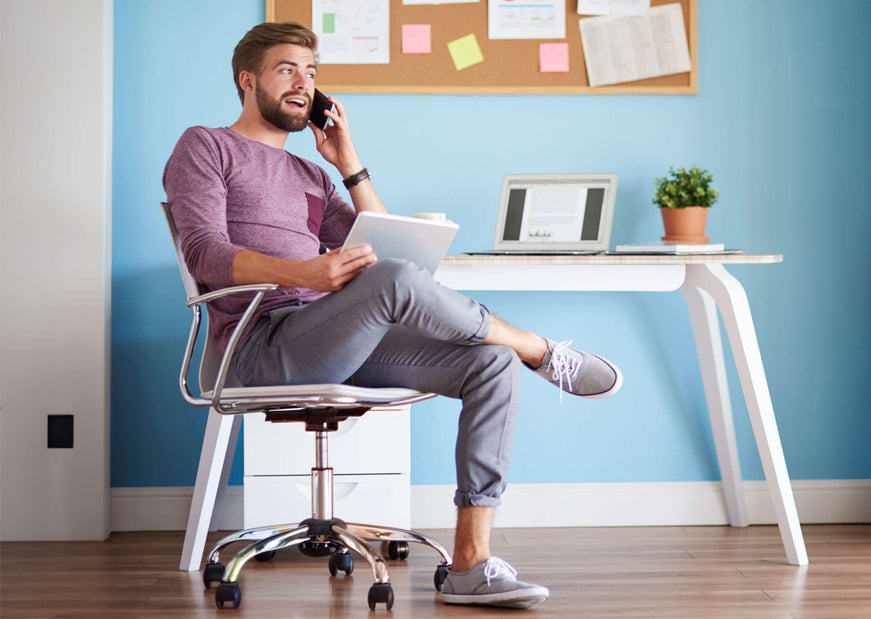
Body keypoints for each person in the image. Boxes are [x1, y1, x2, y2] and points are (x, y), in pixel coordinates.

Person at [163, 21, 623, 610]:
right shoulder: (206, 145)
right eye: (287, 70)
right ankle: (541, 348)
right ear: (247, 80)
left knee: (493, 363)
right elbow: (204, 253)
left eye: (311, 72)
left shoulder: (312, 173)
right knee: (400, 285)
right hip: (258, 346)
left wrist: (349, 163)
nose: (304, 83)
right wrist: (307, 273)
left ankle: (470, 566)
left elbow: (398, 256)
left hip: (329, 338)